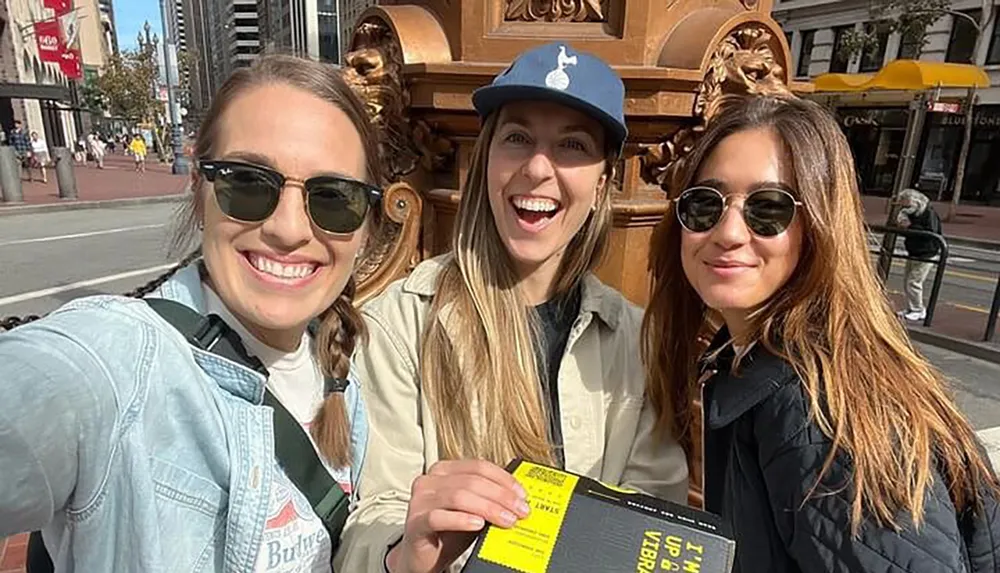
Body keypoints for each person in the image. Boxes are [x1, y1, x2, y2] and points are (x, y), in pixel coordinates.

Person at [0, 54, 383, 571]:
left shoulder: (340, 362)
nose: (290, 229)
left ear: (364, 231)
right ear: (201, 192)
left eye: (334, 197)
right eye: (248, 182)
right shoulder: (121, 361)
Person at [337, 42, 689, 573]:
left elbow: (653, 517)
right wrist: (407, 554)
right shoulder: (400, 324)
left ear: (602, 184)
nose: (538, 168)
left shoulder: (637, 342)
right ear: (486, 162)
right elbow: (368, 521)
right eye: (518, 138)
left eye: (572, 145)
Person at [642, 94, 1000, 572]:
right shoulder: (748, 359)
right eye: (705, 204)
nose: (727, 231)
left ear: (820, 226)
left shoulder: (819, 408)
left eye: (768, 209)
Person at [895, 188, 942, 322]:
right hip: (914, 250)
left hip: (926, 252)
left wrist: (910, 227)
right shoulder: (911, 212)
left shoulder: (928, 213)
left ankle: (918, 309)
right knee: (907, 281)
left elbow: (931, 233)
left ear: (915, 202)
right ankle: (912, 307)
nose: (905, 208)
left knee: (914, 281)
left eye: (906, 205)